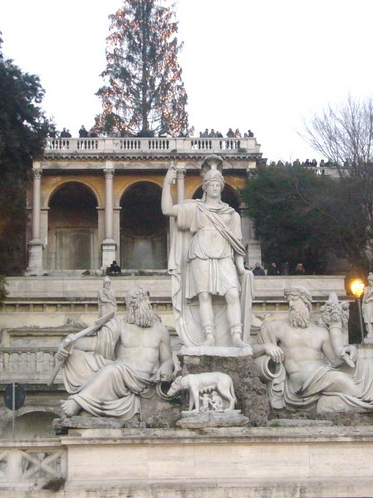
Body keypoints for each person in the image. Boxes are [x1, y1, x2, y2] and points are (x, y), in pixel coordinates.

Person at [252, 286, 373, 412]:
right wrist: (266, 347)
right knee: (339, 379)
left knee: (367, 367)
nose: (291, 305)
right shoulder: (275, 327)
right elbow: (250, 351)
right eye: (289, 301)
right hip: (300, 381)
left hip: (322, 373)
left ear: (307, 304)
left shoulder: (320, 332)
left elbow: (336, 360)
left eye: (295, 300)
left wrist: (350, 351)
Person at [163, 156, 252, 348]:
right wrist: (166, 182)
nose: (214, 187)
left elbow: (237, 244)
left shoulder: (232, 214)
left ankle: (236, 336)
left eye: (217, 184)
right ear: (204, 187)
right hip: (200, 253)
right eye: (211, 184)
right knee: (204, 296)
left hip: (224, 254)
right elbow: (167, 209)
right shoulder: (196, 208)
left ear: (221, 187)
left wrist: (240, 267)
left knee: (232, 294)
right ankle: (208, 336)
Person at [57, 286, 173, 420]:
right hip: (120, 371)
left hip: (142, 378)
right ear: (128, 306)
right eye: (133, 303)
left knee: (112, 370)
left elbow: (167, 360)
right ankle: (89, 402)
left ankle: (78, 402)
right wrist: (69, 344)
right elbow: (95, 344)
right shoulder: (119, 325)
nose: (139, 306)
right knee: (76, 356)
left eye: (143, 301)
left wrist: (167, 367)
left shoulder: (161, 330)